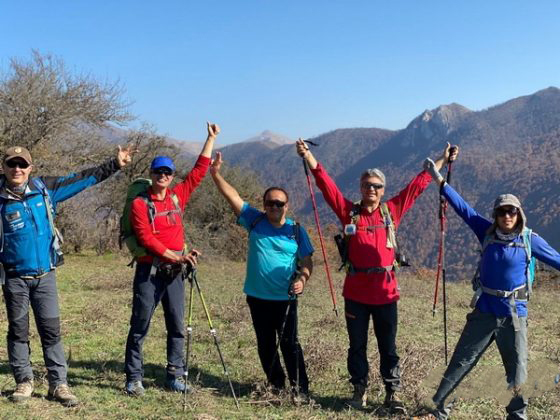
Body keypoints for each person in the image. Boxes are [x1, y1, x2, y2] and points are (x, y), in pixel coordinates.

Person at [296, 139, 456, 412]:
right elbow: (325, 184)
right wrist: (308, 155)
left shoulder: (391, 210)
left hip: (386, 294)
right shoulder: (349, 212)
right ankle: (359, 393)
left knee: (388, 347)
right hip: (356, 294)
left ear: (383, 191)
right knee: (356, 346)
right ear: (360, 188)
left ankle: (392, 394)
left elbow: (418, 185)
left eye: (377, 186)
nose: (371, 189)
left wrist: (442, 160)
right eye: (367, 185)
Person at [420, 158, 560, 420]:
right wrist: (438, 178)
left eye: (512, 211)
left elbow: (557, 260)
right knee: (461, 363)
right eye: (502, 211)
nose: (507, 216)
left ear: (519, 214)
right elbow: (464, 209)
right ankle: (438, 410)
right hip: (484, 311)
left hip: (514, 316)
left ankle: (517, 416)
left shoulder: (530, 240)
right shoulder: (485, 231)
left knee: (518, 371)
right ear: (495, 215)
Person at [0, 144, 135, 406]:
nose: (17, 169)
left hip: (45, 276)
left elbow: (83, 179)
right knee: (18, 331)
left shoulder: (45, 188)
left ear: (31, 168)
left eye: (22, 164)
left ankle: (58, 384)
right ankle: (24, 382)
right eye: (11, 164)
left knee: (51, 331)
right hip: (14, 277)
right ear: (3, 167)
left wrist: (115, 164)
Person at [209, 151, 314, 401]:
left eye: (279, 203)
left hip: (284, 298)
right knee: (265, 344)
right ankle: (276, 385)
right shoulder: (254, 220)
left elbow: (308, 261)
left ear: (287, 206)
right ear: (264, 204)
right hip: (256, 296)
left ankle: (301, 390)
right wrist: (215, 174)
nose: (274, 207)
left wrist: (302, 279)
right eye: (270, 203)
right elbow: (232, 196)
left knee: (290, 344)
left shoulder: (297, 231)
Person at [124, 122, 219, 396]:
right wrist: (178, 256)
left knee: (177, 325)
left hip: (175, 273)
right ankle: (134, 378)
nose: (163, 176)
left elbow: (199, 172)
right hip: (150, 272)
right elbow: (146, 239)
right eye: (158, 171)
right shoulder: (141, 204)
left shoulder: (178, 197)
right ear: (151, 174)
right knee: (140, 325)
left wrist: (210, 139)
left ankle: (175, 375)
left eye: (167, 172)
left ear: (172, 175)